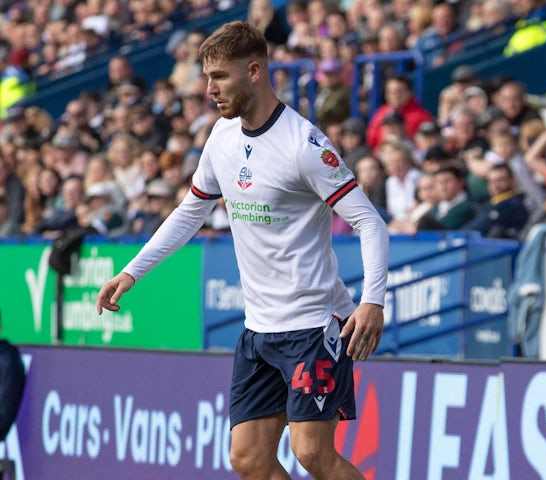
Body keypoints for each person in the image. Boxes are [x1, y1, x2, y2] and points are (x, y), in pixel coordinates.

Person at [95, 21, 389, 480]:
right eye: (207, 77)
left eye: (220, 77)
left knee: (311, 453)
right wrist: (131, 272)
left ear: (254, 70)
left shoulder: (303, 145)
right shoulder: (221, 137)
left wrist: (373, 300)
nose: (209, 89)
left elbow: (368, 220)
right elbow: (190, 212)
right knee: (248, 459)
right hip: (259, 330)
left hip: (313, 326)